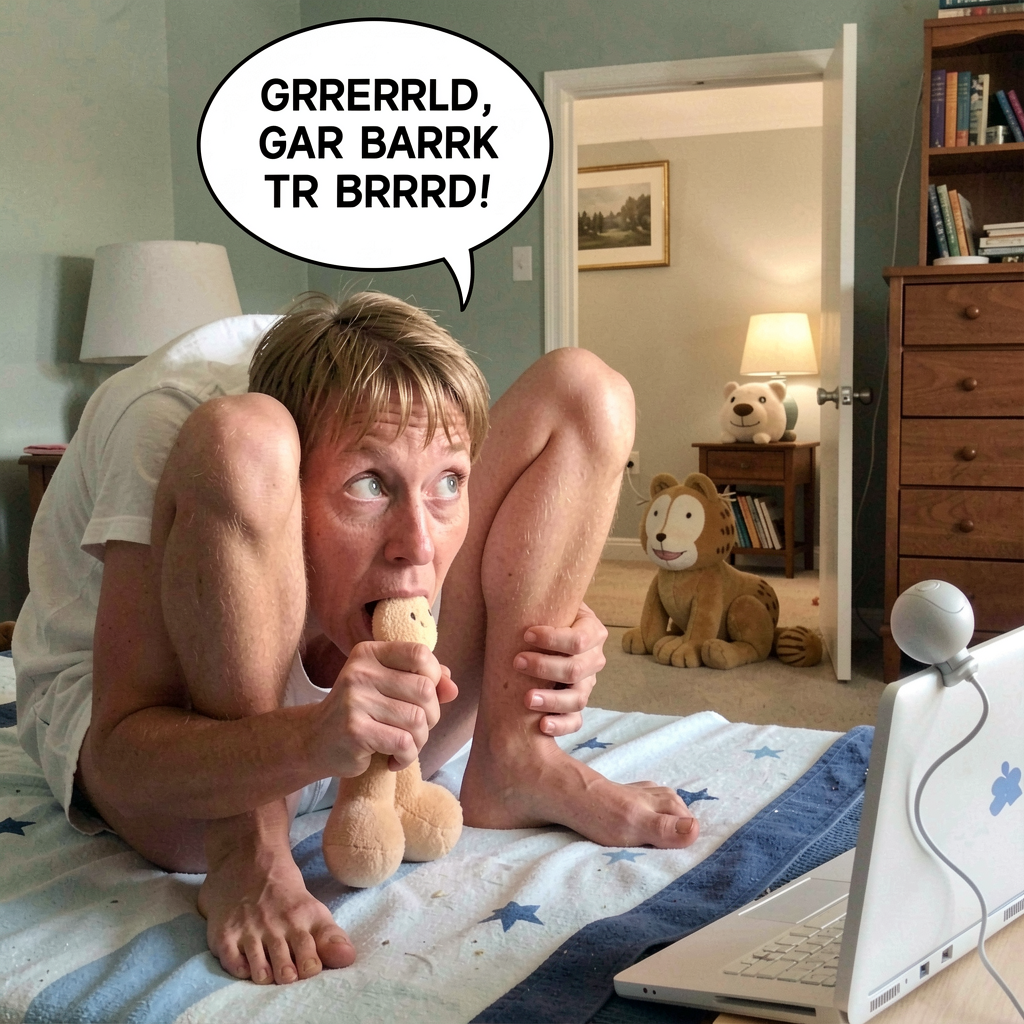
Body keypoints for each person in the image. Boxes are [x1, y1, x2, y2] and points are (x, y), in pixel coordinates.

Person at [13, 291, 698, 987]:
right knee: (241, 438)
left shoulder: (397, 414)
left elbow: (483, 537)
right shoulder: (172, 420)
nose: (418, 548)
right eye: (369, 485)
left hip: (374, 724)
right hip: (191, 766)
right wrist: (309, 739)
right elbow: (121, 757)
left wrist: (551, 630)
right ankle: (251, 849)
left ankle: (517, 759)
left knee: (586, 390)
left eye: (449, 481)